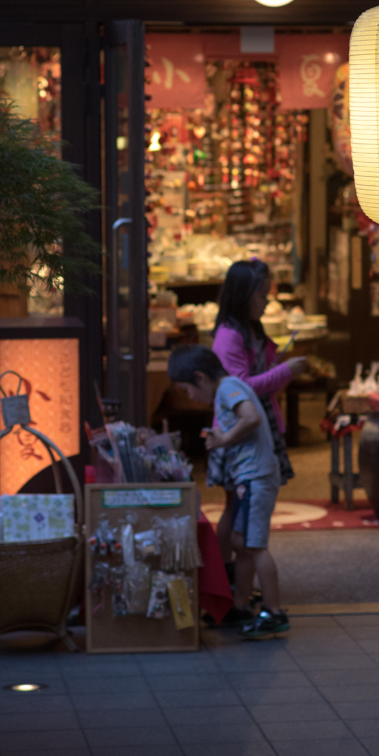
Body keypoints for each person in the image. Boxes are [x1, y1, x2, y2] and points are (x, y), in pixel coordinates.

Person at [168, 342, 289, 638]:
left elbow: (251, 417)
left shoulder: (228, 387)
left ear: (200, 377)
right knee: (240, 542)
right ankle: (239, 607)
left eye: (186, 389)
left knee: (255, 545)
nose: (190, 397)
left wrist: (223, 439)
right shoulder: (226, 389)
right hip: (248, 477)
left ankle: (274, 613)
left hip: (256, 476)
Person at [210, 260, 306, 569]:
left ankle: (238, 575)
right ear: (243, 294)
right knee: (235, 508)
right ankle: (227, 574)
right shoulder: (229, 335)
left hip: (257, 428)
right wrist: (284, 371)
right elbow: (241, 387)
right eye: (262, 294)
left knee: (245, 509)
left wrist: (275, 368)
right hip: (239, 431)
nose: (267, 301)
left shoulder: (250, 329)